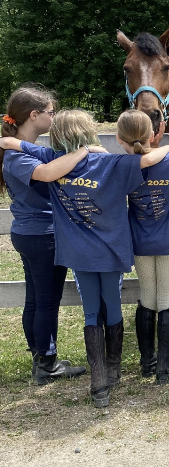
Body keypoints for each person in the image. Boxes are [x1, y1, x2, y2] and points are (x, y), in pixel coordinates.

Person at [1, 110, 169, 407]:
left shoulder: (53, 163)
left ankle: (98, 383)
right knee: (111, 305)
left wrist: (10, 142)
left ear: (59, 137)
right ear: (90, 134)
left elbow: (29, 148)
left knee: (89, 311)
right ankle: (113, 369)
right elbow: (147, 159)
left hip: (78, 252)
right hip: (111, 249)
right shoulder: (111, 163)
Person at [0, 85, 91, 384]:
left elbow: (51, 160)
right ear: (34, 115)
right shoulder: (16, 157)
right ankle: (47, 363)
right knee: (46, 301)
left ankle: (40, 355)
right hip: (42, 235)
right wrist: (84, 150)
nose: (54, 117)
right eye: (51, 113)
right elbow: (50, 173)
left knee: (35, 299)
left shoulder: (19, 148)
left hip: (32, 234)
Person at [118, 110, 169, 383]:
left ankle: (147, 363)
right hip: (168, 239)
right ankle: (164, 369)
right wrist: (167, 146)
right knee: (166, 299)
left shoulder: (121, 165)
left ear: (121, 139)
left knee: (148, 297)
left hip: (140, 241)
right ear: (153, 134)